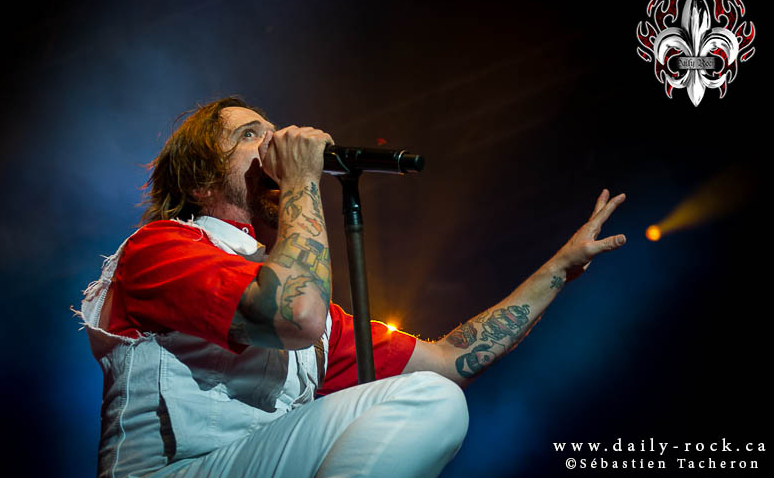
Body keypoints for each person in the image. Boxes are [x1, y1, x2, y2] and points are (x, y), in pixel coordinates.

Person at [78, 96, 627, 477]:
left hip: (253, 463)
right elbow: (295, 315)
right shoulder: (161, 247)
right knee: (431, 399)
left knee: (435, 395)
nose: (275, 143)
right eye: (250, 135)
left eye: (273, 131)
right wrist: (301, 179)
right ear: (200, 183)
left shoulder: (300, 303)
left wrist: (558, 270)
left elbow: (447, 361)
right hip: (173, 472)